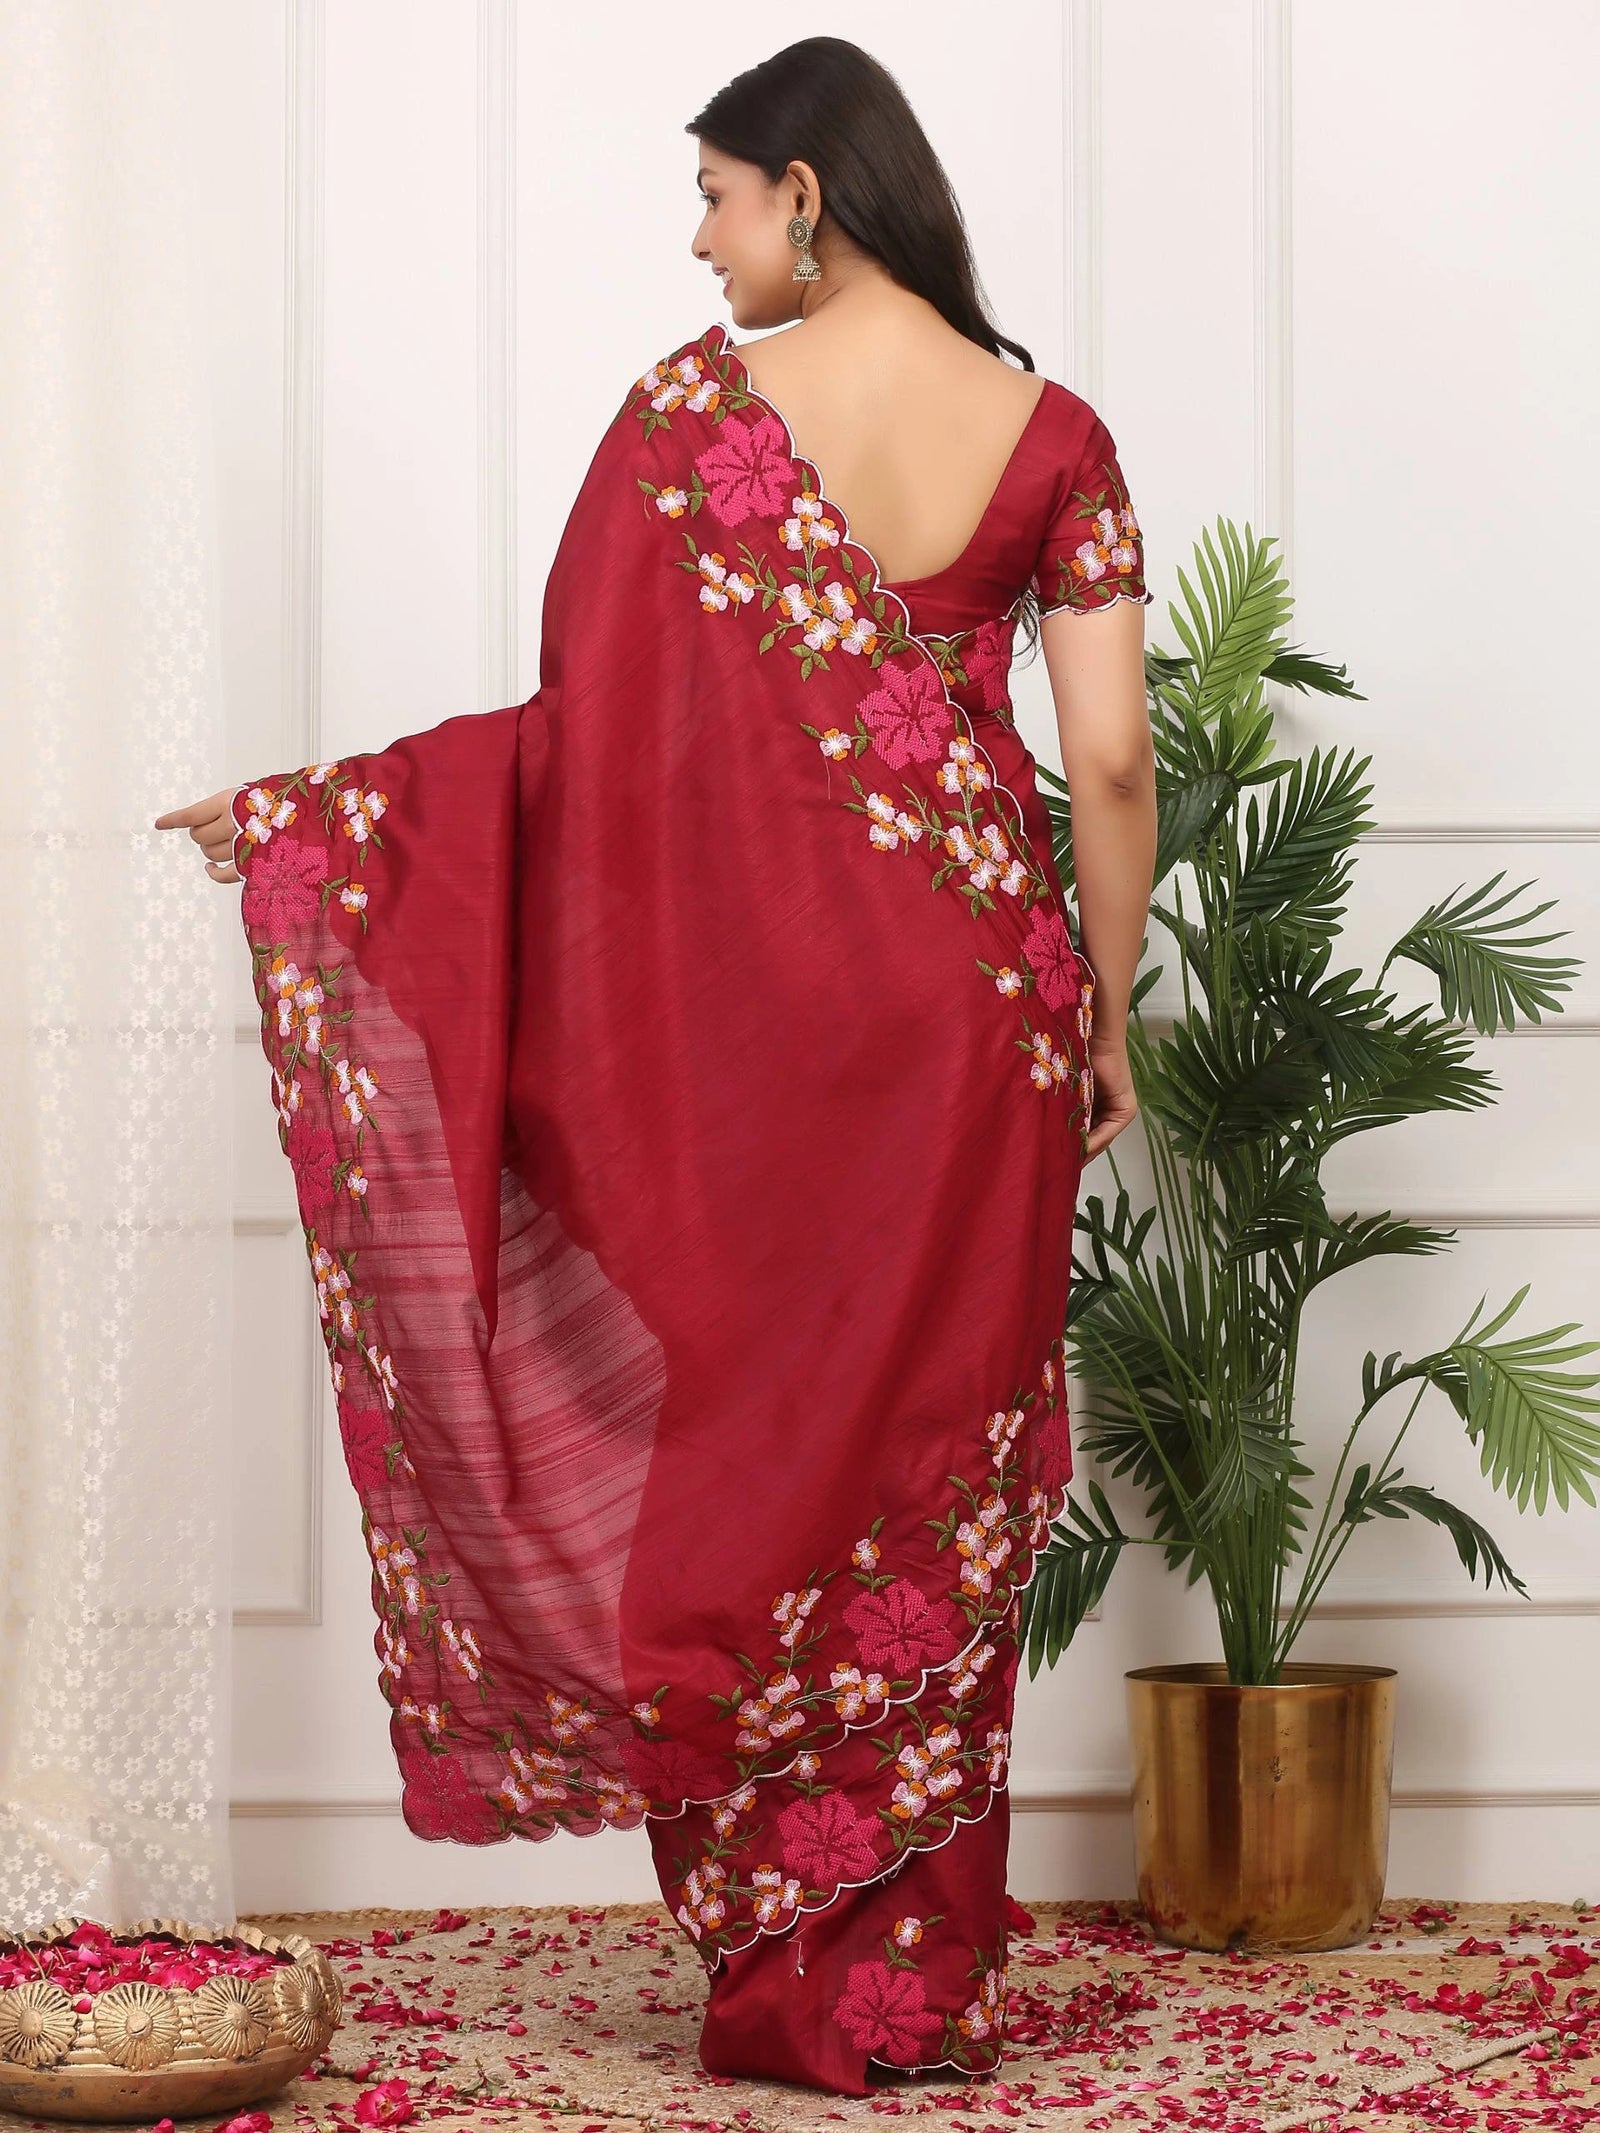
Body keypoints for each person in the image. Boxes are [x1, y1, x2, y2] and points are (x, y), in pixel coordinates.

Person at [154, 35, 1156, 2099]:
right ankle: (899, 1980)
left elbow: (584, 750)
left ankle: (783, 1974)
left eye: (712, 193)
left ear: (808, 189)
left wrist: (332, 830)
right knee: (931, 1472)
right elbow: (1116, 763)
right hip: (979, 1013)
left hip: (769, 1045)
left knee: (760, 1444)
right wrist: (1106, 1007)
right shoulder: (1050, 431)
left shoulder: (691, 424)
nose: (694, 240)